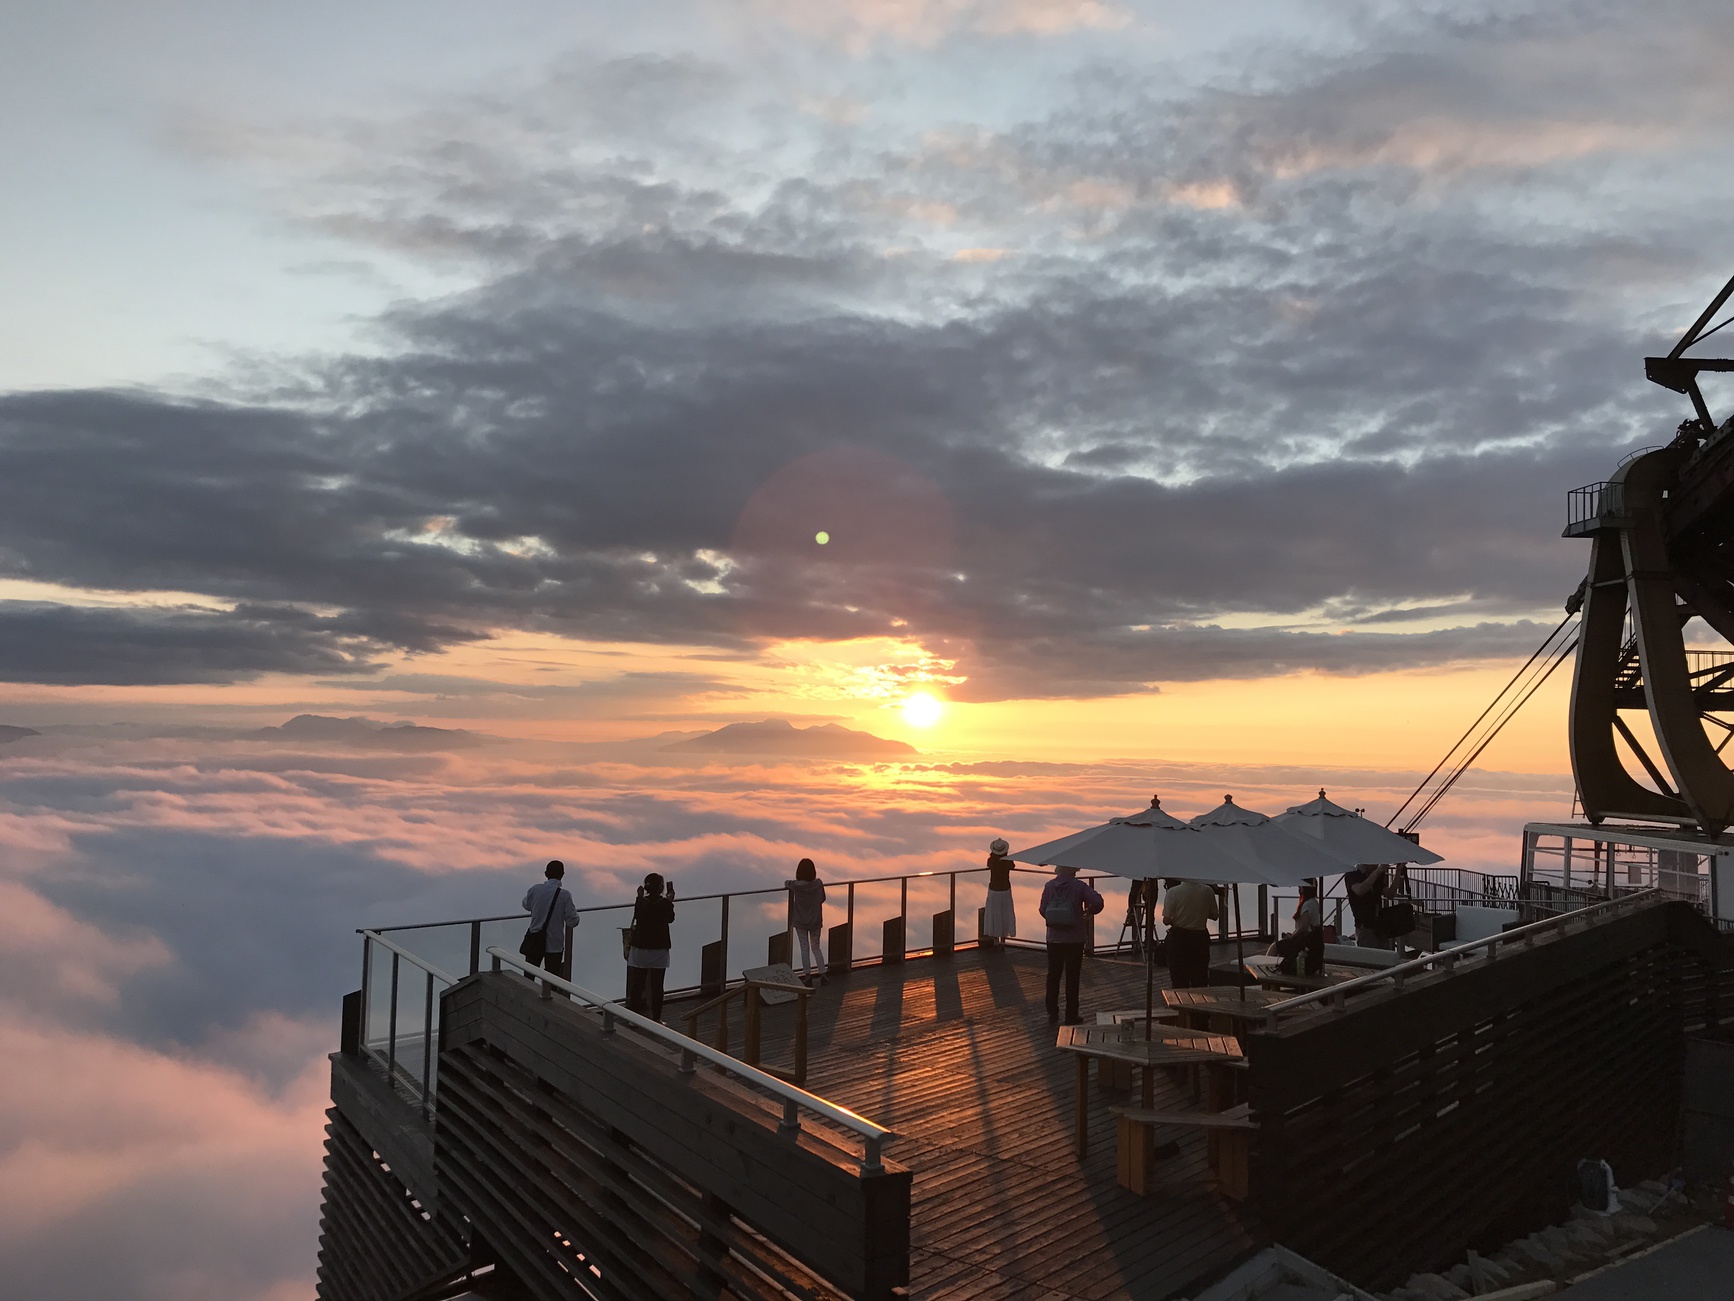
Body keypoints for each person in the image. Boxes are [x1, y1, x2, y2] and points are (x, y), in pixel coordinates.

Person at [1039, 864, 1104, 1024]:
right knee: (1072, 976)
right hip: (1075, 938)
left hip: (1053, 938)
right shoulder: (1079, 886)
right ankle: (1071, 1014)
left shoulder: (1049, 886)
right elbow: (1098, 902)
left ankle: (1052, 1012)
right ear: (1074, 871)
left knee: (1053, 975)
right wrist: (1088, 911)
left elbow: (1042, 910)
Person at [625, 873, 676, 1021]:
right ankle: (656, 1018)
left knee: (637, 985)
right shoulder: (665, 903)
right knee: (657, 986)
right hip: (659, 948)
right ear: (661, 887)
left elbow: (638, 915)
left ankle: (632, 1019)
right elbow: (670, 919)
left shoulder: (641, 902)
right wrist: (670, 901)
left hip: (640, 947)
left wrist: (639, 897)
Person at [520, 859, 579, 981]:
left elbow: (526, 904)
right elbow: (573, 921)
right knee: (552, 980)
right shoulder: (565, 895)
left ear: (546, 874)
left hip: (534, 941)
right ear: (562, 875)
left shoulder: (535, 889)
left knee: (528, 978)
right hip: (554, 943)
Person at [1161, 877, 1219, 989]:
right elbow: (1214, 915)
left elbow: (1166, 920)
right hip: (1199, 938)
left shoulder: (1173, 892)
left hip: (1179, 938)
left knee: (1179, 978)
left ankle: (1180, 1004)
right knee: (1200, 977)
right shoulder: (1207, 891)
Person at [785, 858, 828, 985]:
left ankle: (808, 976)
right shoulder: (819, 883)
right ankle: (823, 974)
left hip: (800, 921)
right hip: (815, 920)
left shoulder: (796, 886)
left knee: (805, 948)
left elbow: (786, 883)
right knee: (816, 947)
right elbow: (823, 898)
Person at [1271, 882, 1325, 976]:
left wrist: (1291, 937)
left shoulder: (1307, 905)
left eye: (1300, 885)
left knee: (1275, 946)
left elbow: (1303, 927)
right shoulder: (1315, 903)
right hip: (1309, 943)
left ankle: (1267, 969)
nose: (1299, 887)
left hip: (1303, 943)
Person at [1344, 863, 1392, 948]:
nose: (1376, 866)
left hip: (1379, 925)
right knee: (1370, 956)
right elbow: (1360, 890)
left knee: (1385, 955)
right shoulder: (1353, 874)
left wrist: (1399, 871)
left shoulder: (1376, 876)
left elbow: (1390, 894)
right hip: (1364, 926)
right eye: (1374, 864)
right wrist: (1377, 872)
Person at [983, 838, 1017, 949]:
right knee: (1004, 913)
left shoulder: (991, 861)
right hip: (1005, 889)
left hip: (993, 889)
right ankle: (1003, 940)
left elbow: (989, 865)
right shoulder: (1007, 861)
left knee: (994, 913)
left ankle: (995, 940)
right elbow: (1013, 866)